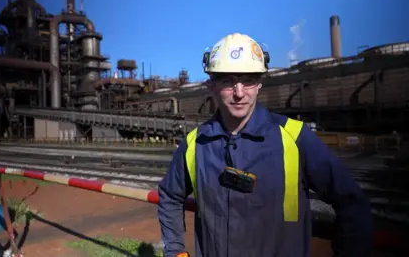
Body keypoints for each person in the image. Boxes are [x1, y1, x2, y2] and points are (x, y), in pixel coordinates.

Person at [157, 33, 373, 257]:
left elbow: (352, 203)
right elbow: (170, 195)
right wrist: (175, 251)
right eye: (227, 81)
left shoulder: (295, 138)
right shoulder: (196, 144)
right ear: (211, 86)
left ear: (260, 83)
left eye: (248, 80)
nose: (239, 93)